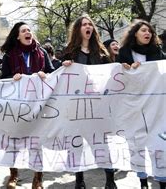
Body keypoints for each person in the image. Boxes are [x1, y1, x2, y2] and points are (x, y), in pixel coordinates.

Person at [61, 15, 114, 189]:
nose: (88, 26)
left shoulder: (101, 52)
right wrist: (64, 66)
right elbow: (58, 76)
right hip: (77, 107)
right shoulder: (70, 51)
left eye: (90, 24)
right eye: (84, 24)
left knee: (101, 143)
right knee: (77, 144)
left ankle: (110, 180)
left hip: (97, 107)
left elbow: (112, 75)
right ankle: (79, 180)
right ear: (78, 29)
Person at [0, 22, 54, 189]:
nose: (27, 32)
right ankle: (14, 175)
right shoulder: (9, 55)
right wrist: (12, 77)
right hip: (17, 105)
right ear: (18, 36)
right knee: (13, 139)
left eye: (29, 30)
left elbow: (52, 72)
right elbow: (4, 79)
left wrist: (46, 75)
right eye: (24, 30)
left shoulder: (42, 52)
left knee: (37, 141)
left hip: (38, 104)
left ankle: (38, 178)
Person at [117, 20, 165, 189]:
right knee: (138, 143)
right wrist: (124, 69)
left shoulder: (157, 52)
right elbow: (117, 78)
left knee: (159, 143)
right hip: (134, 106)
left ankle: (162, 180)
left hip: (155, 106)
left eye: (150, 31)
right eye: (144, 30)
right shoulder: (123, 53)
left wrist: (144, 67)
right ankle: (143, 181)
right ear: (135, 33)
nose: (148, 33)